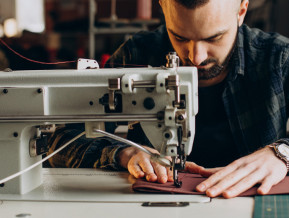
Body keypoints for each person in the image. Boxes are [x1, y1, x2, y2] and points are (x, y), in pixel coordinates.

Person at [48, 0, 289, 199]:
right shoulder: (137, 55)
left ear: (242, 11)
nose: (196, 57)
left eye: (214, 38)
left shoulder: (278, 59)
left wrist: (282, 154)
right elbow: (61, 142)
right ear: (163, 7)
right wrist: (123, 154)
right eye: (180, 37)